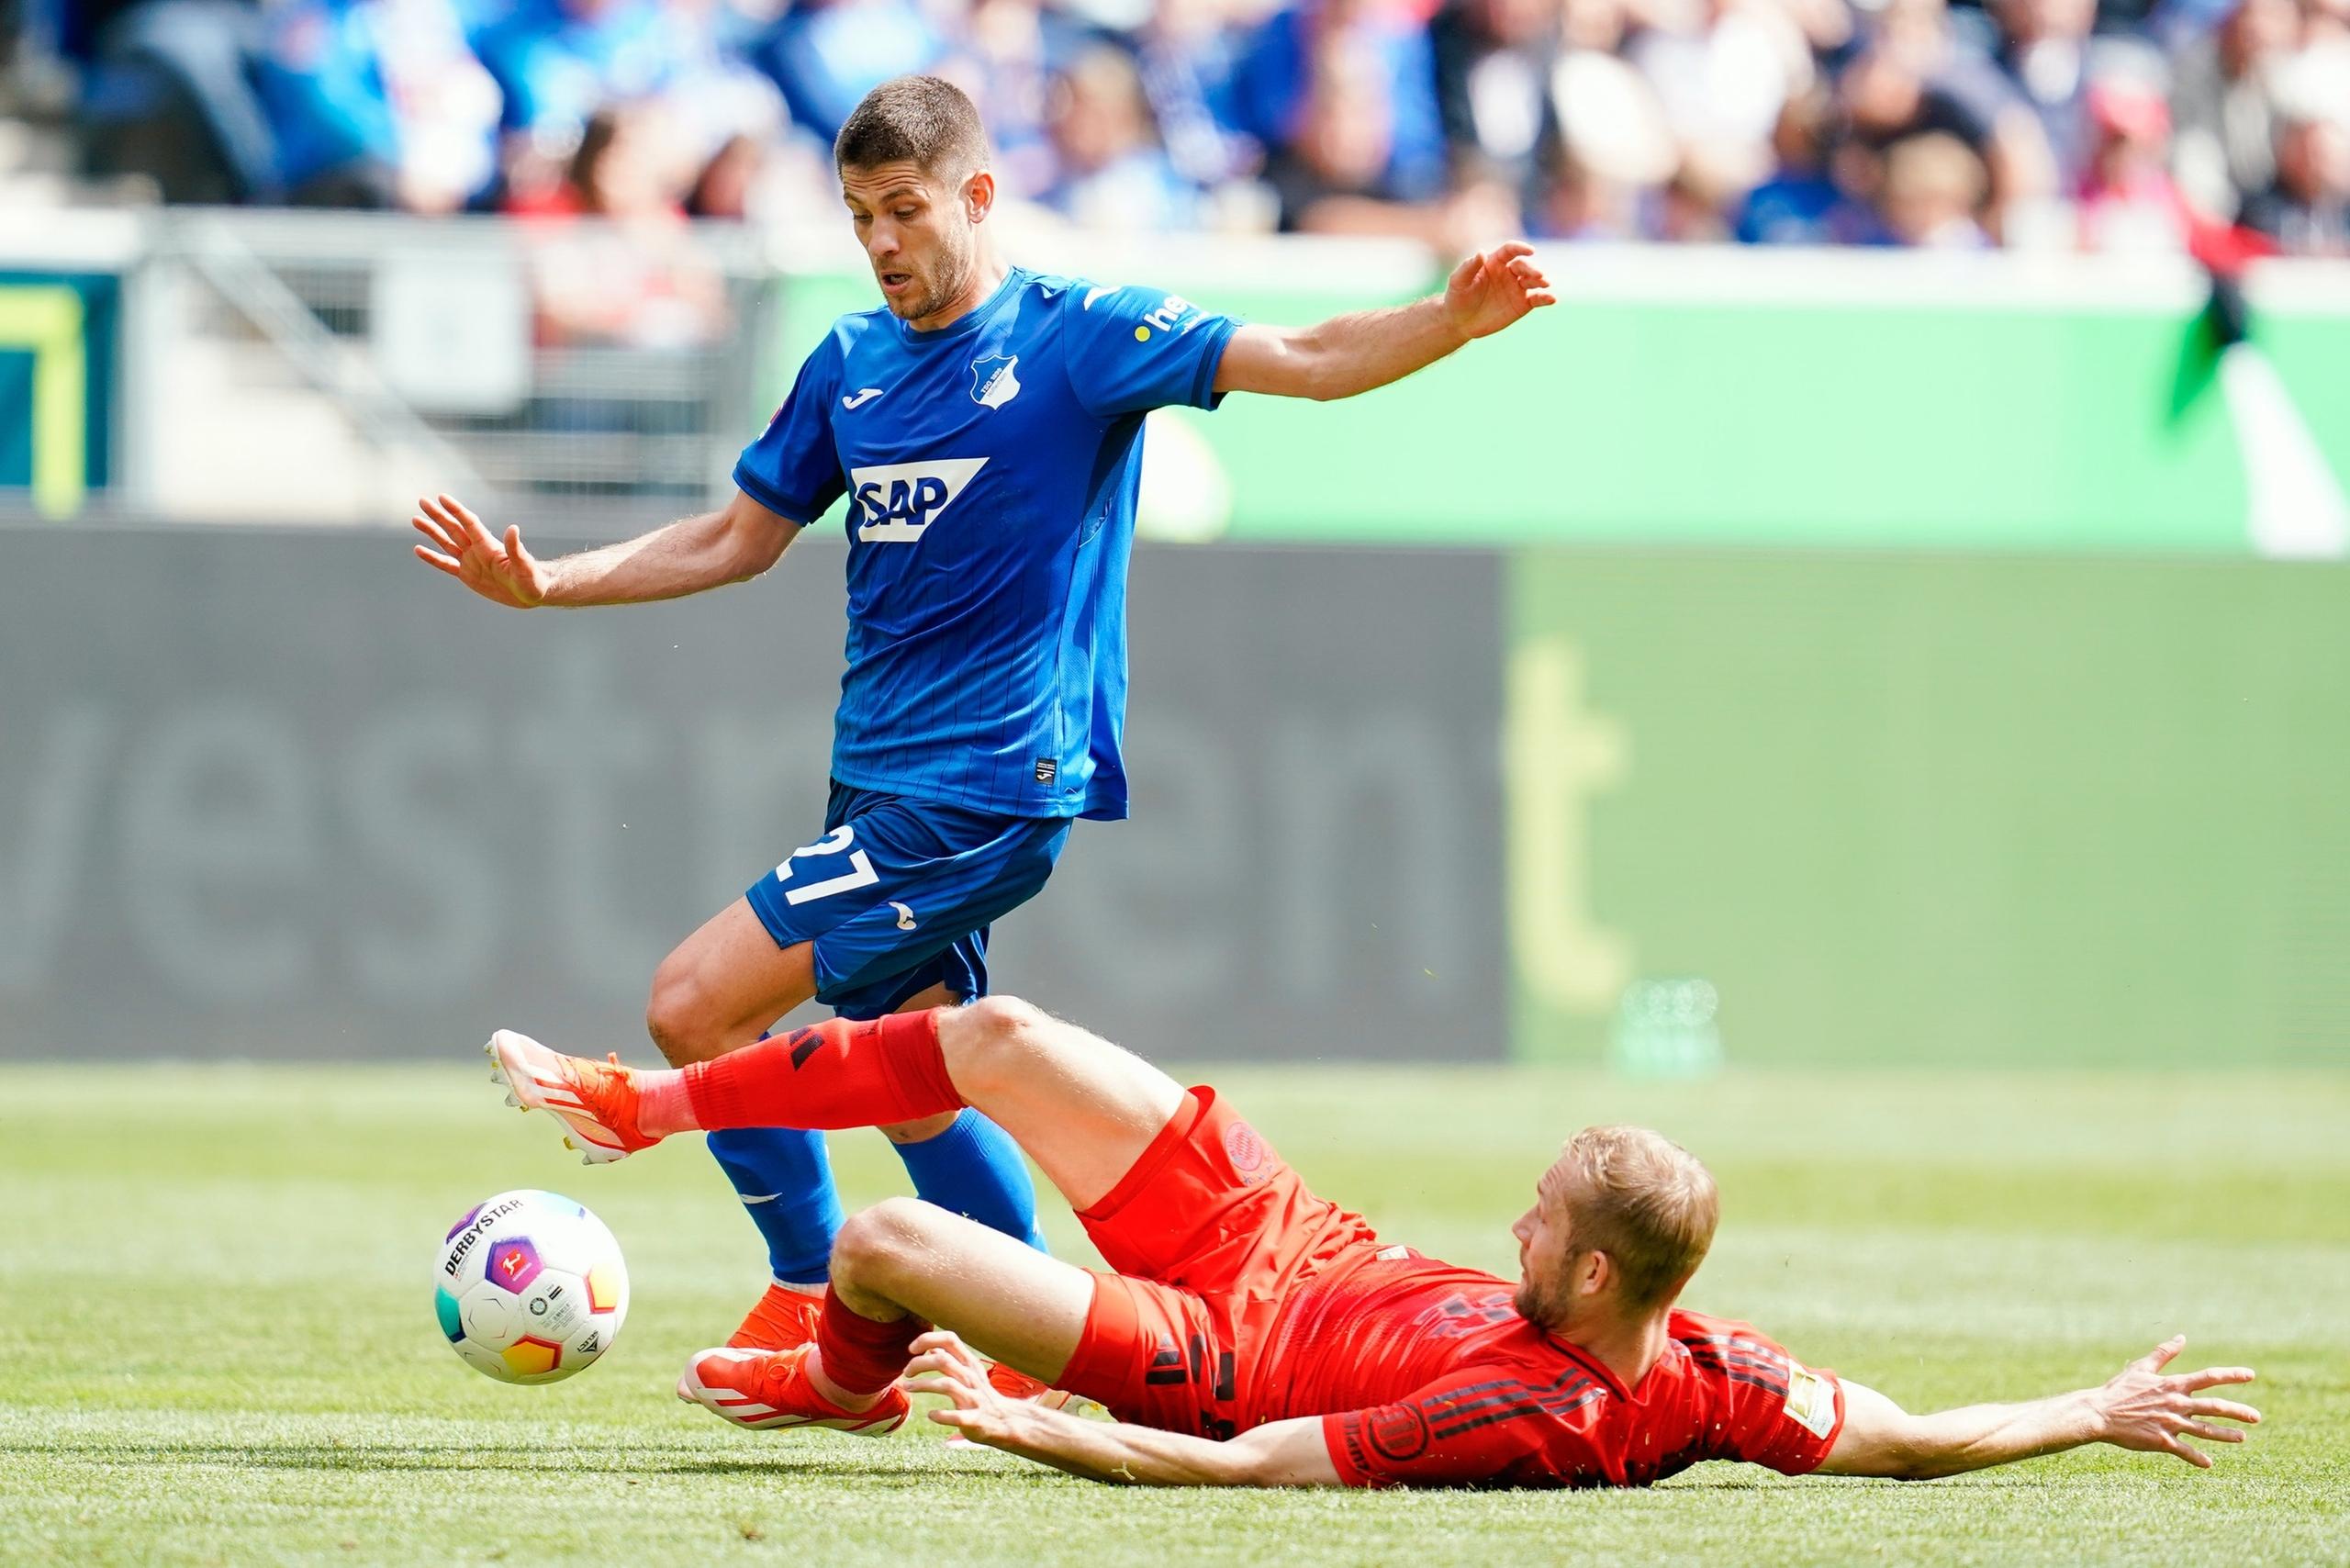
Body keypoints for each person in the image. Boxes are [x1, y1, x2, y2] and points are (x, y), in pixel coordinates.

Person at [411, 72, 1552, 1422]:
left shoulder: (1082, 337)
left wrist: (1450, 322)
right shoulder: (849, 363)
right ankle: (1018, 1328)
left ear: (978, 195)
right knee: (910, 1060)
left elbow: (1299, 360)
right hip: (880, 773)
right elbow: (734, 540)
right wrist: (550, 584)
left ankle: (801, 1297)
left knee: (694, 1005)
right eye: (857, 217)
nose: (882, 241)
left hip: (992, 784)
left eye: (904, 209)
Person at [484, 1003, 2264, 1486]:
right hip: (1284, 1231)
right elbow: (1893, 1432)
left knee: (885, 1233)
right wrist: (2085, 1407)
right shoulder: (1717, 1373)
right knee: (996, 1031)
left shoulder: (1525, 1408)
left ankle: (838, 1380)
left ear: (1578, 1278)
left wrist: (1064, 1430)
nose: (1510, 1215)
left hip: (1208, 1358)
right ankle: (637, 1106)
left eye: (1538, 1215)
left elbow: (1266, 1461)